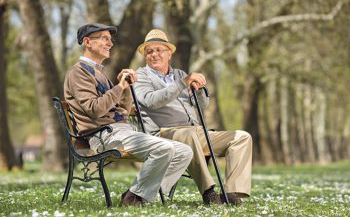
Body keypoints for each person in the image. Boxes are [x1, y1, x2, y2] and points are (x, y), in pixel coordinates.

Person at [63, 23, 193, 207]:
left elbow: (122, 111)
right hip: (104, 135)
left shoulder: (99, 73)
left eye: (110, 39)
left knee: (184, 151)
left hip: (121, 131)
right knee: (164, 149)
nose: (110, 43)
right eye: (104, 38)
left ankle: (136, 196)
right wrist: (119, 87)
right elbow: (94, 109)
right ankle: (135, 198)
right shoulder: (78, 73)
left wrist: (127, 89)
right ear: (87, 42)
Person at [134, 29, 253, 205]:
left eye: (159, 50)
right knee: (188, 136)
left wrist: (198, 91)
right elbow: (150, 101)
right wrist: (183, 83)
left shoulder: (180, 74)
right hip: (163, 134)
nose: (153, 55)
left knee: (242, 137)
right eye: (149, 51)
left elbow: (202, 106)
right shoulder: (141, 76)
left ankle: (232, 193)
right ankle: (209, 193)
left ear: (169, 53)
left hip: (196, 131)